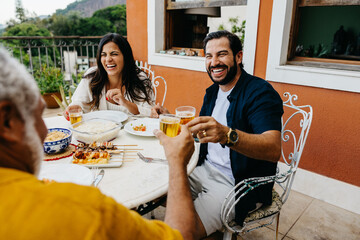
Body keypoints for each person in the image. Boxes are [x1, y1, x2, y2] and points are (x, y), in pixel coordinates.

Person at [0, 48, 198, 240]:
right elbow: (179, 236)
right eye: (38, 114)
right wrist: (177, 163)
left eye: (114, 54)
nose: (45, 131)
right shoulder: (85, 208)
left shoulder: (140, 78)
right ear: (6, 121)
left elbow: (149, 111)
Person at [151, 30, 284, 238]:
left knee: (183, 233)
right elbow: (201, 134)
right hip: (202, 167)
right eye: (208, 56)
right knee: (157, 192)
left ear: (238, 57)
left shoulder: (260, 93)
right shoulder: (213, 91)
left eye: (222, 54)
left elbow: (273, 149)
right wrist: (171, 118)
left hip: (237, 183)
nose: (214, 62)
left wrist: (227, 135)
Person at [64, 33, 155, 120]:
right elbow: (80, 103)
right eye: (103, 55)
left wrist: (125, 103)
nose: (108, 59)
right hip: (101, 133)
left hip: (131, 133)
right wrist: (76, 107)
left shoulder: (140, 79)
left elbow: (150, 113)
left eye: (114, 54)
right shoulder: (92, 77)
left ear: (125, 56)